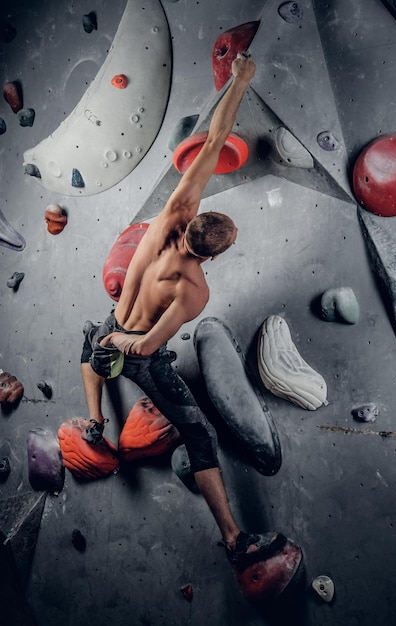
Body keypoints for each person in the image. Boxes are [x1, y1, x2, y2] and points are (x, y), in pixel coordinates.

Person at [80, 52, 286, 568]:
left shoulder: (173, 213)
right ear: (212, 253)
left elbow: (214, 141)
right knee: (198, 435)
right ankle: (236, 542)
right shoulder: (194, 292)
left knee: (93, 337)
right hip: (136, 353)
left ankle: (93, 418)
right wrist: (121, 345)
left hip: (111, 322)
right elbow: (148, 346)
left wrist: (238, 81)